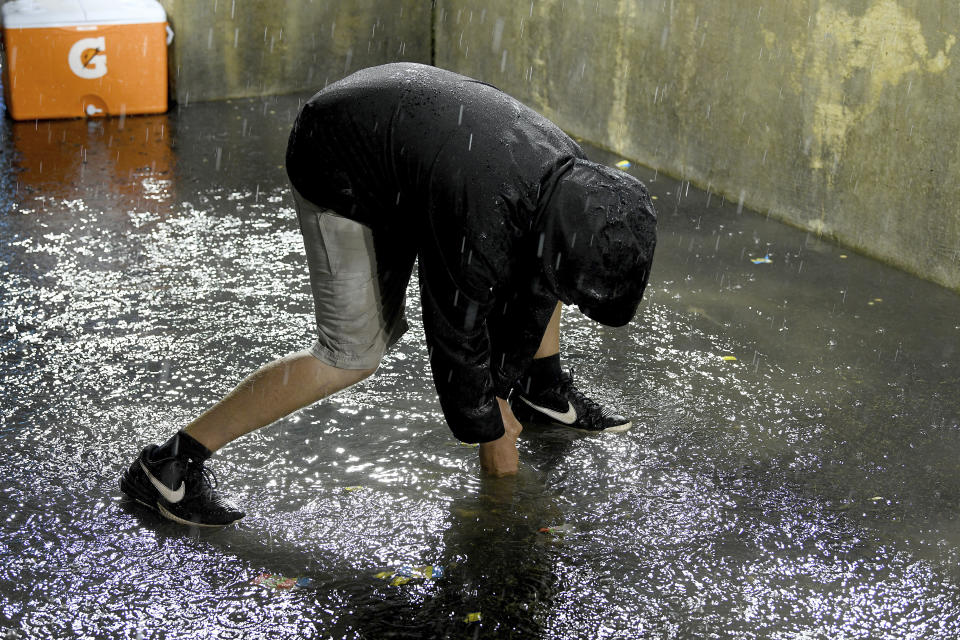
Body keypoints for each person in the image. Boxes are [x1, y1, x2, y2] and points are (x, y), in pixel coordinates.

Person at [119, 63, 657, 527]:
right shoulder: (481, 219)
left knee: (547, 267)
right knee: (352, 352)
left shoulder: (570, 184)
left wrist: (509, 385)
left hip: (410, 138)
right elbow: (456, 339)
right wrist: (490, 428)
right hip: (338, 159)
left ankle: (543, 393)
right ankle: (170, 464)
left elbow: (537, 286)